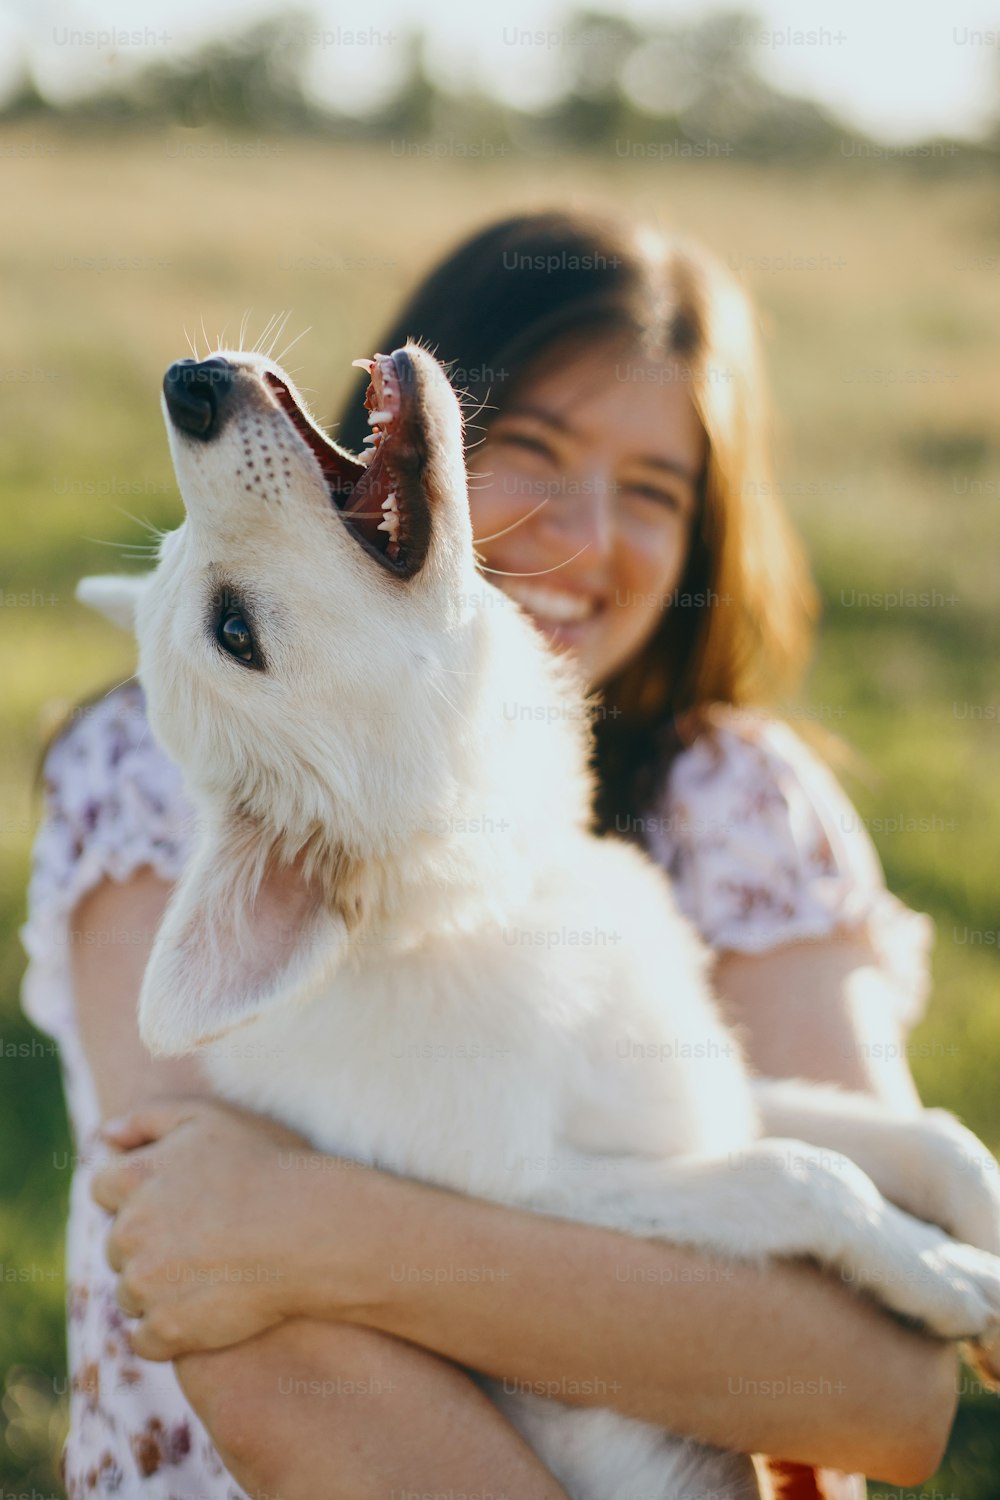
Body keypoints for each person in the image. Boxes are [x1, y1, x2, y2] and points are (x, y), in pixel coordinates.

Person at [22, 210, 956, 1500]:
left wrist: (314, 1229)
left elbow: (888, 1397)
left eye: (654, 492)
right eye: (537, 448)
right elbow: (227, 1299)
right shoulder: (163, 773)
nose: (585, 528)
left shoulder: (738, 802)